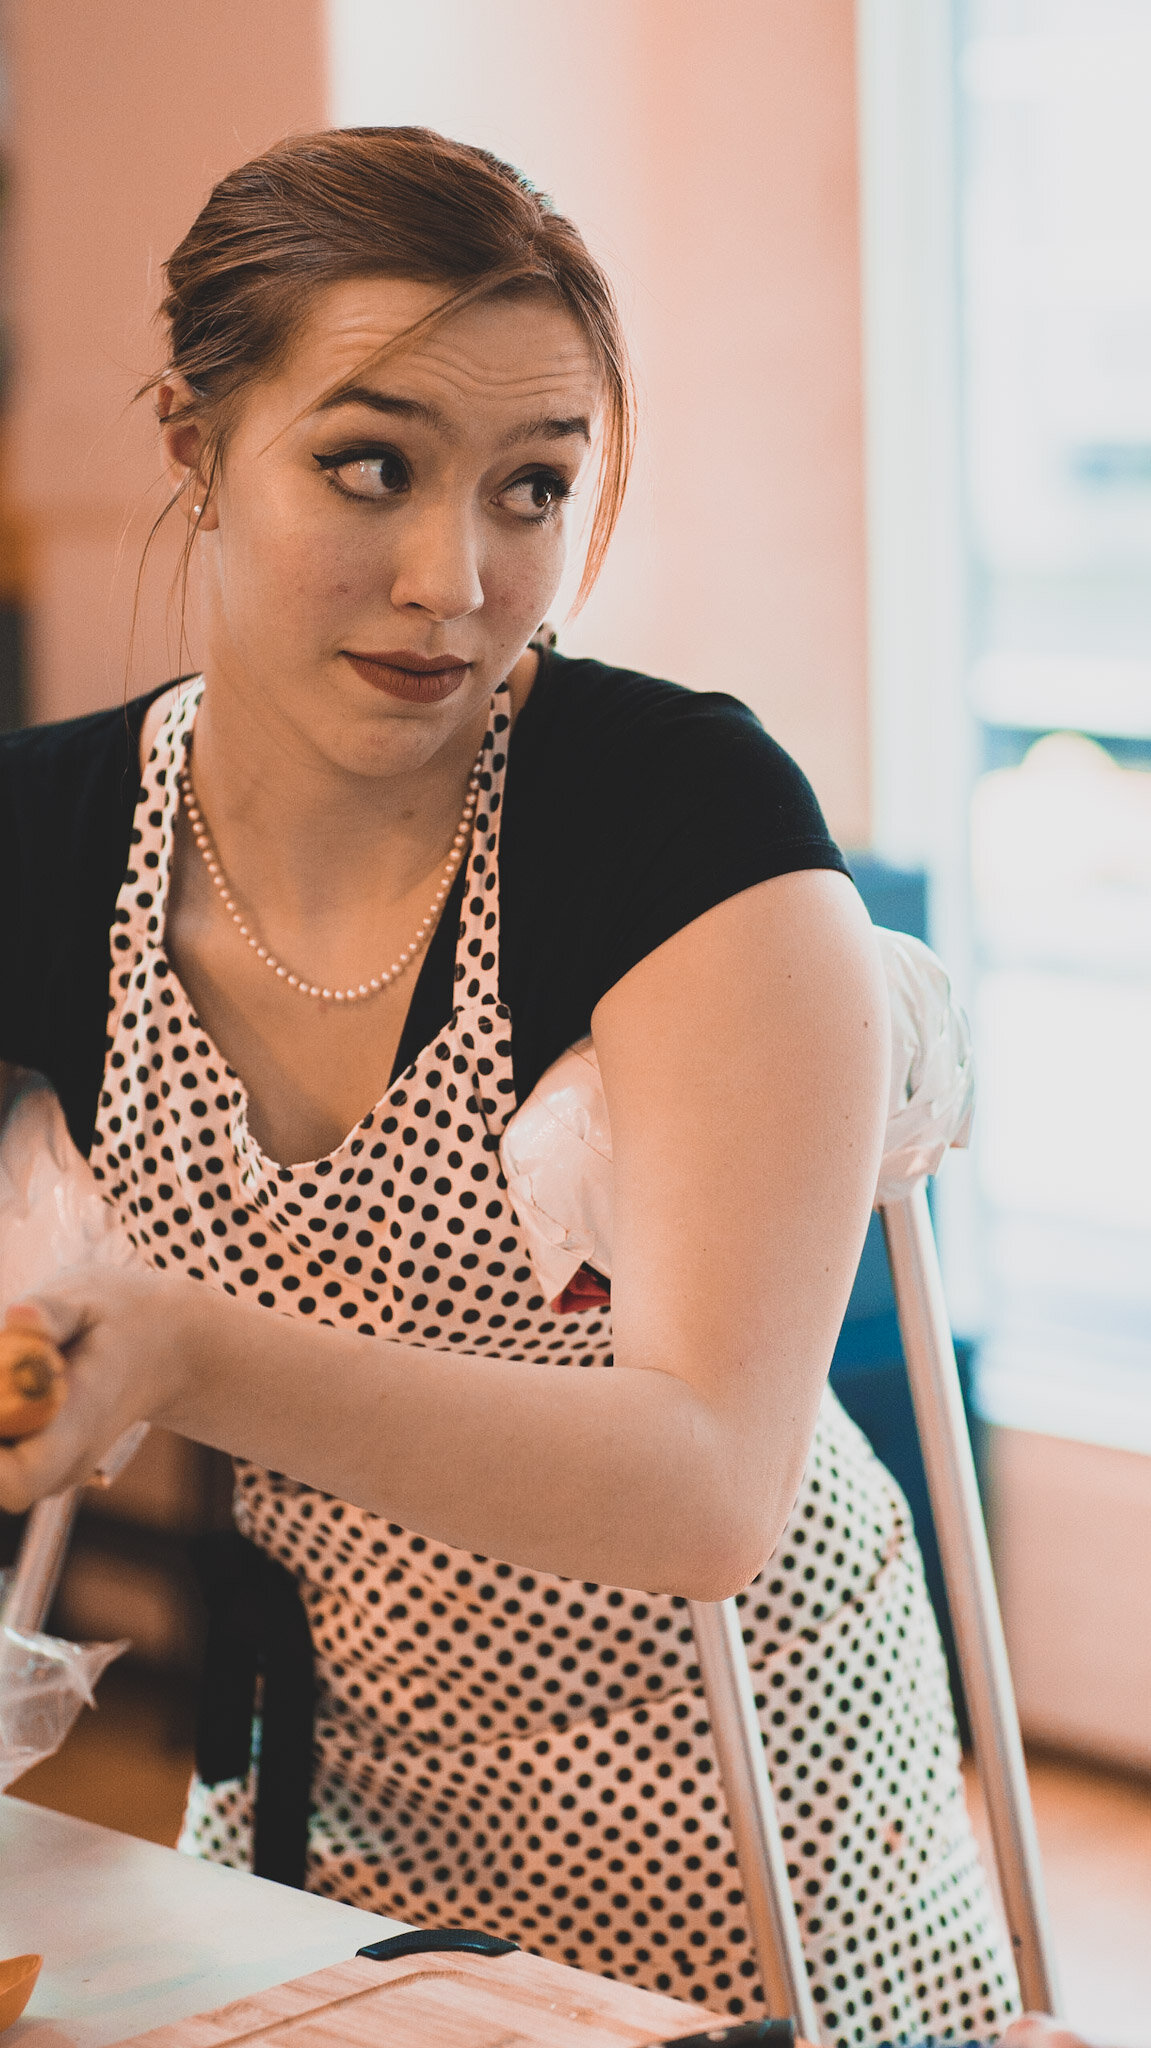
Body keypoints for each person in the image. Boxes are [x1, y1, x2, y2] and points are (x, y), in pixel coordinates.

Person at [0, 130, 1018, 2044]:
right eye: (369, 466)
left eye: (532, 487)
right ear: (195, 444)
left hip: (750, 1812)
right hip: (325, 1804)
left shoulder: (681, 821)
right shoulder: (47, 843)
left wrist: (177, 1351)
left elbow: (708, 1485)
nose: (454, 582)